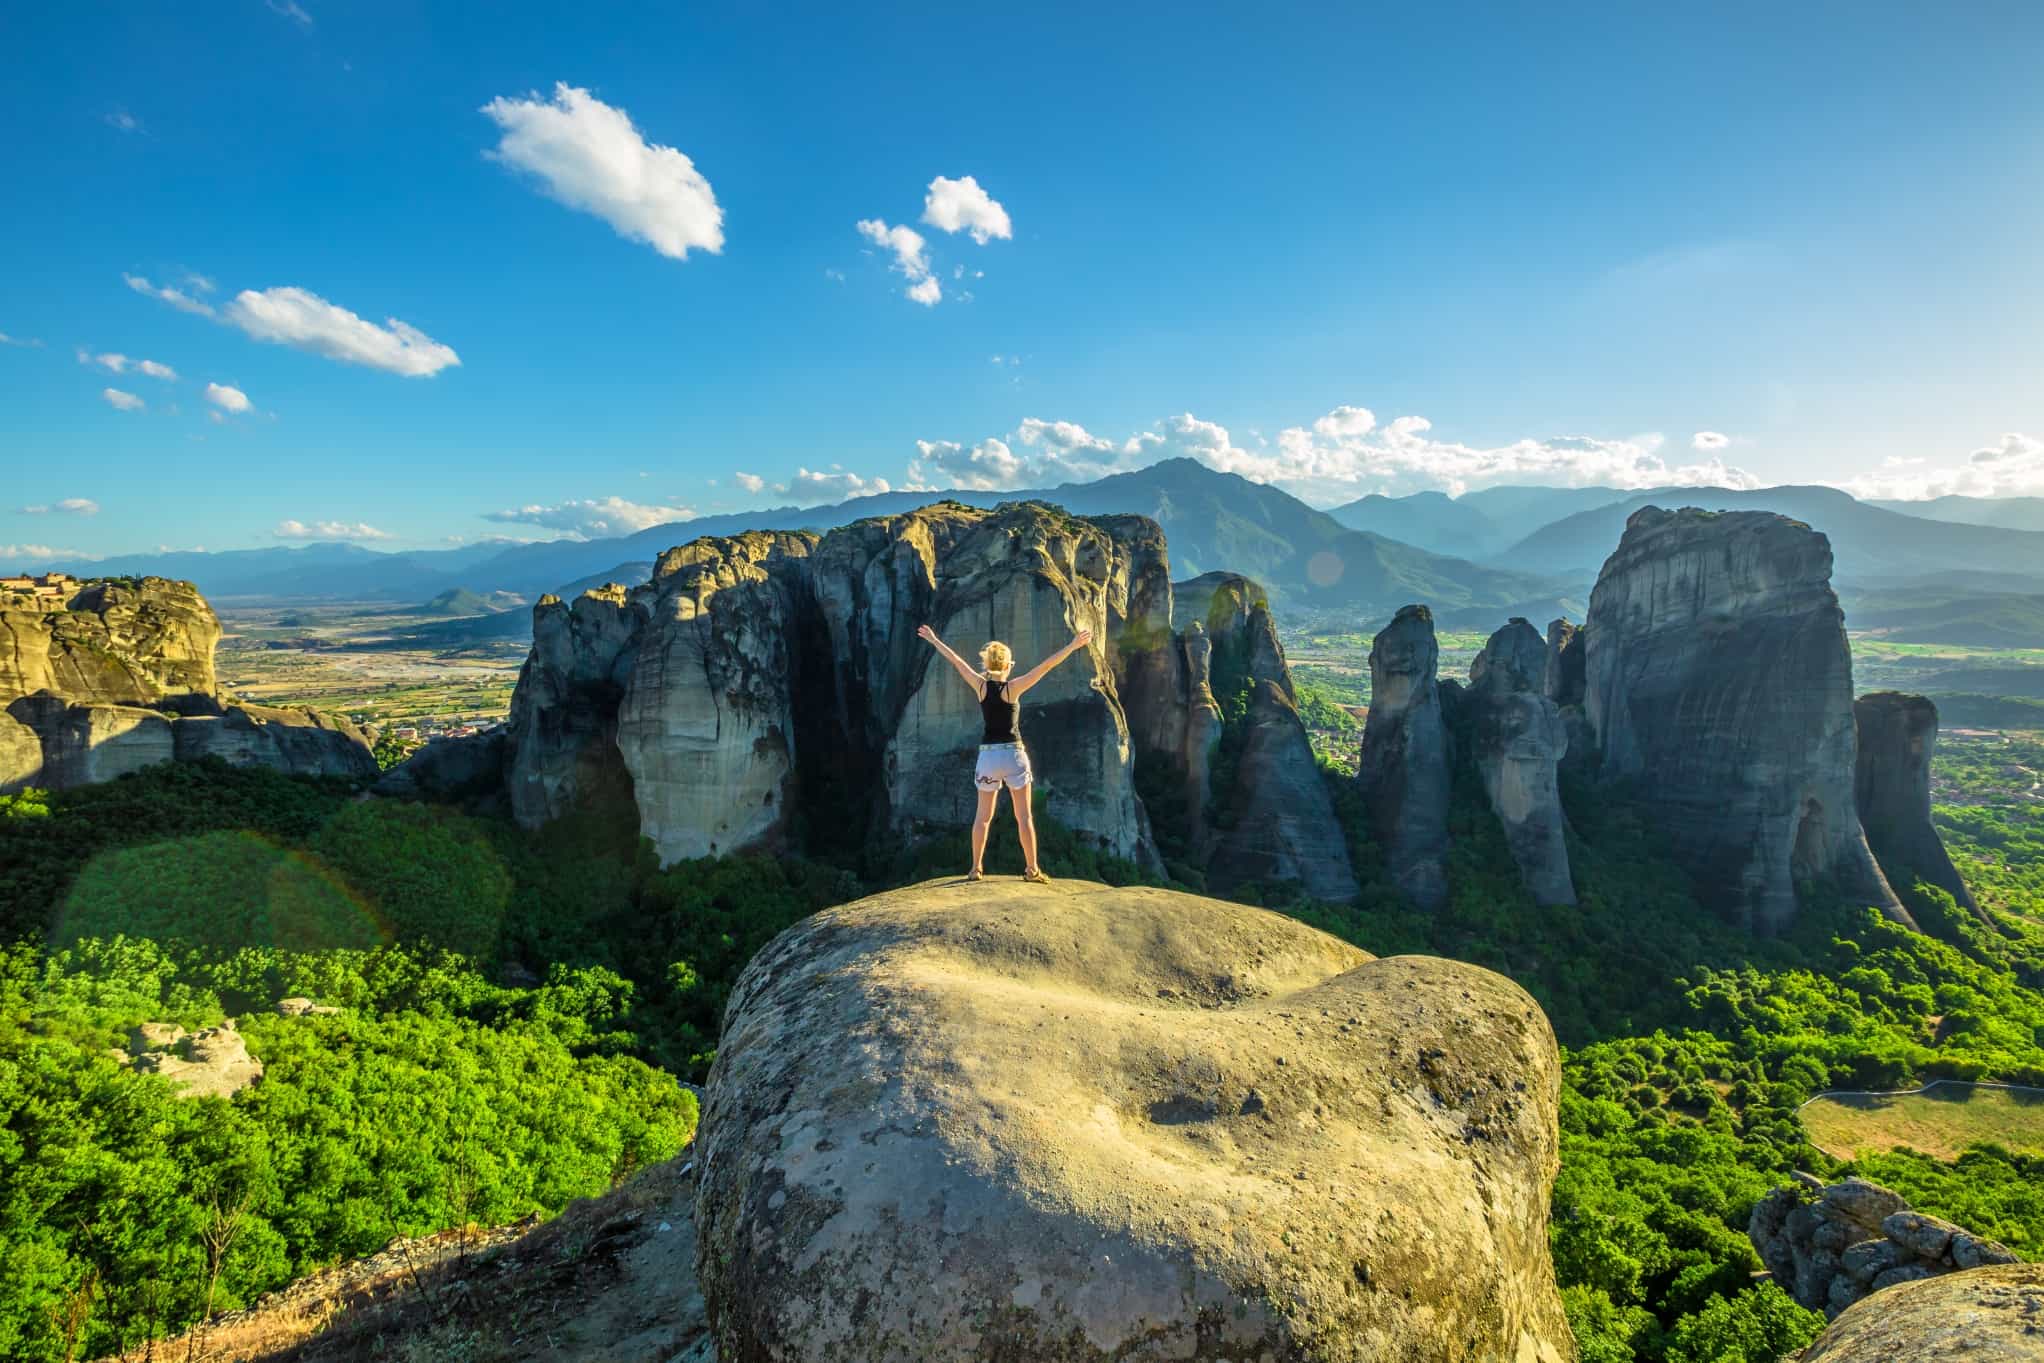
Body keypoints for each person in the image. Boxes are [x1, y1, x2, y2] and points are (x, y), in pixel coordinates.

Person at [915, 623, 1093, 883]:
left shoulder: (981, 686)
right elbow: (1046, 666)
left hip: (988, 757)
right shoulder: (1014, 688)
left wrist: (933, 639)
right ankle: (1032, 870)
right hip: (1014, 755)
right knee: (1024, 817)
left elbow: (956, 660)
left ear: (987, 665)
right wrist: (1073, 645)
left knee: (982, 818)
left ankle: (976, 869)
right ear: (1009, 665)